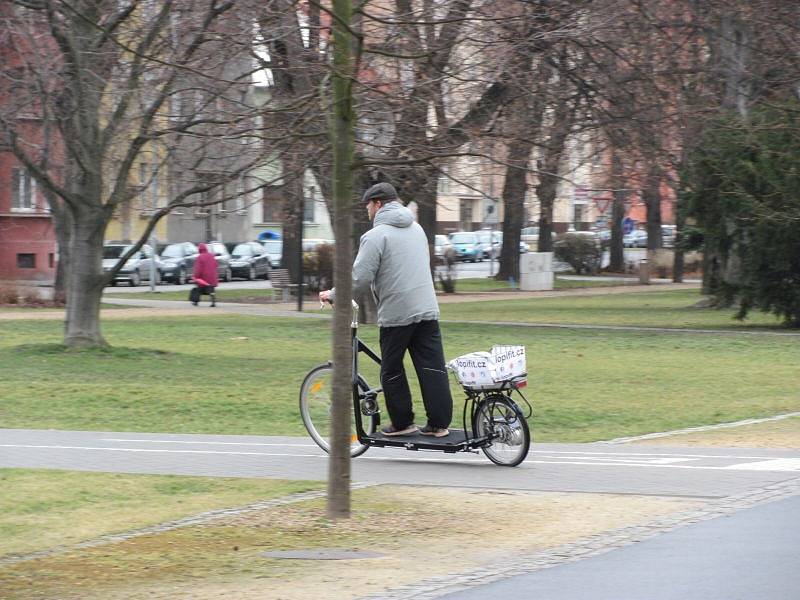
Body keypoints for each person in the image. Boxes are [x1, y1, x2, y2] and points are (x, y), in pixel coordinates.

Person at [319, 182, 453, 437]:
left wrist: (334, 295)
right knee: (432, 366)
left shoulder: (376, 236)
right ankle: (439, 424)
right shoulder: (417, 229)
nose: (367, 210)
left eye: (368, 205)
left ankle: (402, 423)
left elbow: (359, 278)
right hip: (427, 307)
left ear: (378, 203)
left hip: (397, 313)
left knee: (391, 368)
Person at [191, 243, 219, 307]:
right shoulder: (211, 256)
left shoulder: (200, 257)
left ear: (199, 249)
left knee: (198, 289)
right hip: (212, 277)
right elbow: (216, 265)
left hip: (204, 277)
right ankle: (213, 302)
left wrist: (196, 277)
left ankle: (196, 301)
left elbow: (198, 269)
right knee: (211, 290)